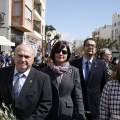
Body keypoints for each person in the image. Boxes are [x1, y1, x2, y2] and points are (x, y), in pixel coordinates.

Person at [0, 44, 52, 120]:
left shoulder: (43, 78)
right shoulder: (2, 73)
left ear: (33, 59)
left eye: (27, 57)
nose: (23, 59)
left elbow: (45, 105)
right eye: (20, 55)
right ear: (14, 57)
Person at [42, 41, 86, 120]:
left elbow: (78, 96)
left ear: (68, 54)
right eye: (58, 51)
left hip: (67, 113)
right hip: (48, 113)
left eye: (64, 52)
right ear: (53, 53)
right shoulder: (44, 72)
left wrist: (81, 115)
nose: (61, 54)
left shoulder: (74, 71)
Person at [70, 38, 107, 120]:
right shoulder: (73, 64)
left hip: (96, 110)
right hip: (77, 109)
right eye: (88, 45)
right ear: (83, 48)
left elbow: (104, 86)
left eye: (93, 46)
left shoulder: (101, 65)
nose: (90, 47)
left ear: (96, 50)